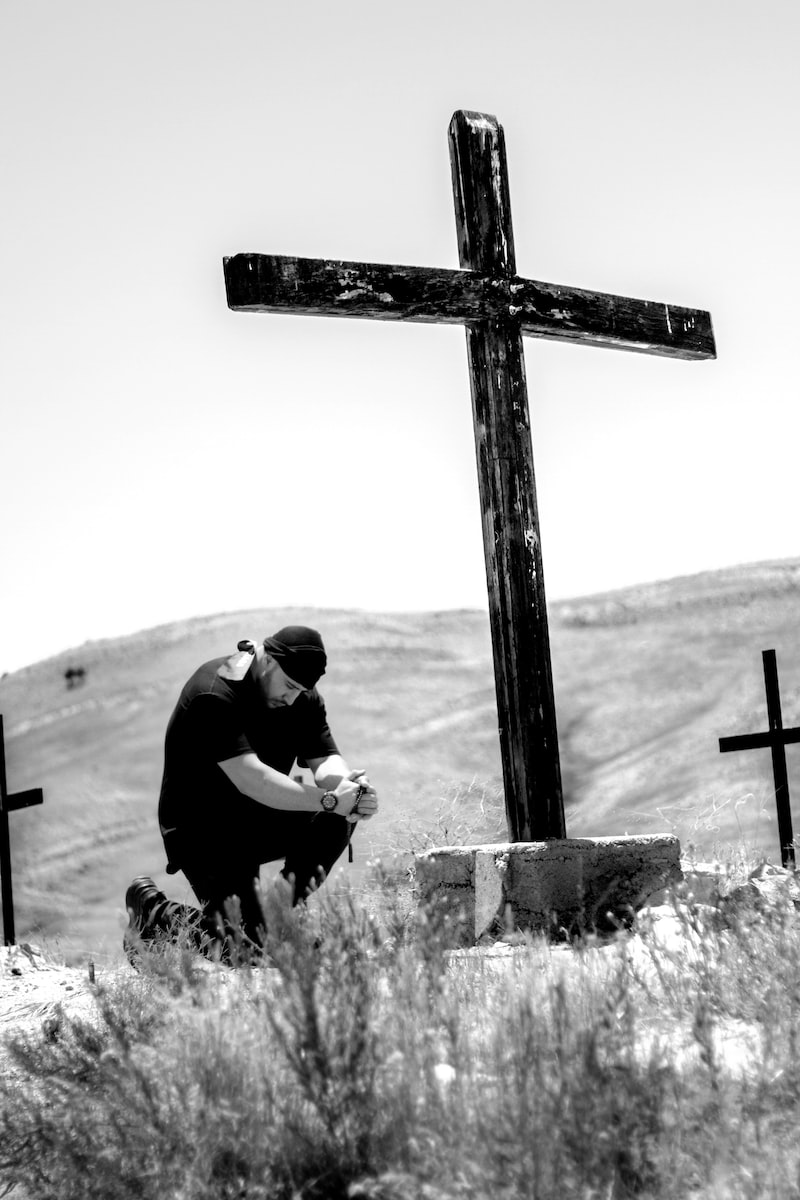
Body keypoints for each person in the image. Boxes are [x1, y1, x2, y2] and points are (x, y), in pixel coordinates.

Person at [124, 625, 378, 962]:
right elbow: (253, 779)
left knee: (340, 816)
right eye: (288, 686)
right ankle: (155, 914)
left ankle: (275, 920)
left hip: (256, 817)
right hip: (203, 831)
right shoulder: (213, 693)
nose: (291, 698)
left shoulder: (301, 697)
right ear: (266, 660)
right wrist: (330, 799)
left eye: (300, 691)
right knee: (244, 951)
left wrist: (350, 788)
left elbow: (326, 760)